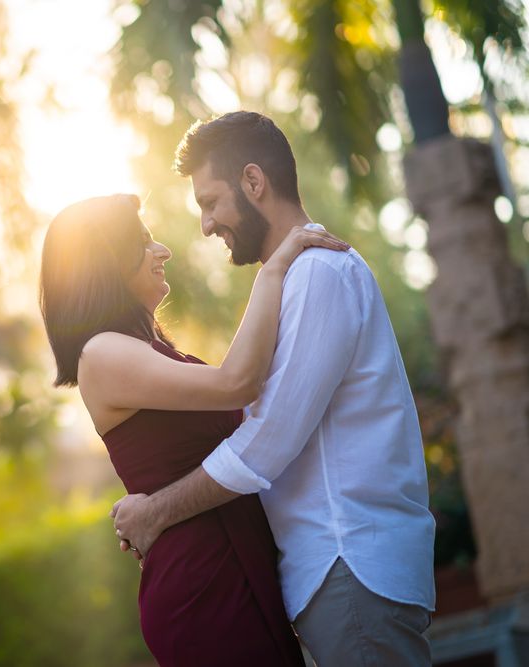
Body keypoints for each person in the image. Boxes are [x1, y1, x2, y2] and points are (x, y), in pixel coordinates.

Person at [110, 111, 436, 666]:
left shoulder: (317, 276)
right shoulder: (296, 278)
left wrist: (156, 513)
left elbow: (268, 443)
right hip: (339, 573)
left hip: (348, 562)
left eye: (211, 202)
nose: (207, 225)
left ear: (254, 182)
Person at [39, 192, 349, 665]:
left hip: (233, 564)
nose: (162, 250)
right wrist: (273, 270)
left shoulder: (145, 348)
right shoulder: (102, 353)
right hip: (202, 587)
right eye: (143, 243)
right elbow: (238, 383)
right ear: (105, 263)